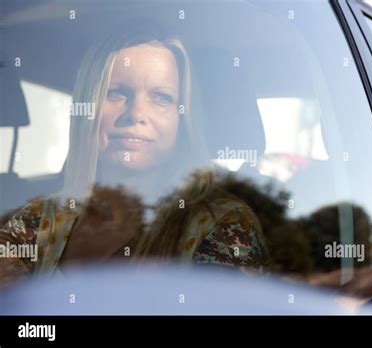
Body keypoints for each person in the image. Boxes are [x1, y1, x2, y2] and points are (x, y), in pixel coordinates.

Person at [0, 26, 270, 287]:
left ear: (182, 120)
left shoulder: (223, 223)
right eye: (117, 93)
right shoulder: (37, 219)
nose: (136, 113)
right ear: (87, 109)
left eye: (162, 98)